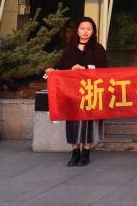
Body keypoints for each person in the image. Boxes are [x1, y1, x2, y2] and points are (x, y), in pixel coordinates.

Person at [45, 17, 108, 167]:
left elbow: (104, 70)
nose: (85, 31)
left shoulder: (98, 48)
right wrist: (53, 70)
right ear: (77, 31)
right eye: (82, 28)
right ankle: (74, 152)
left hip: (90, 90)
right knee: (72, 121)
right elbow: (61, 65)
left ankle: (86, 152)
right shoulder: (69, 48)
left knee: (89, 122)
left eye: (89, 29)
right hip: (72, 92)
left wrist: (84, 69)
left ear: (93, 32)